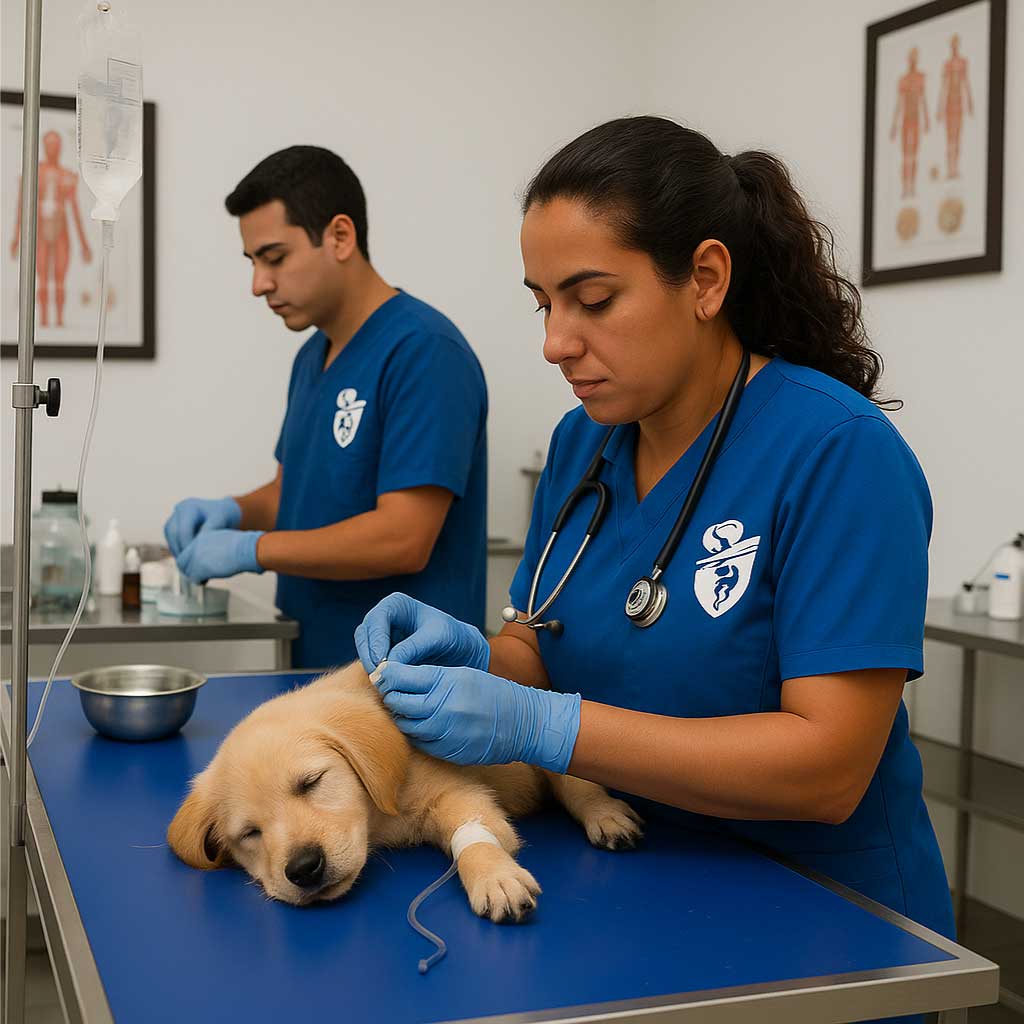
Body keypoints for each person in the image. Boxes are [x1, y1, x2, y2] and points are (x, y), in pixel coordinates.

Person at [356, 117, 953, 1024]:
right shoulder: (581, 444)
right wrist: (475, 658)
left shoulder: (837, 454)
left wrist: (541, 723)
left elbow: (830, 767)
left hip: (824, 925)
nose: (556, 341)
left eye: (592, 300)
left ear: (706, 280)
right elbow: (542, 641)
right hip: (634, 889)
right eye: (542, 302)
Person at [164, 146, 488, 669]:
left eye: (274, 258)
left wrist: (252, 549)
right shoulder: (312, 356)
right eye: (252, 263)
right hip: (314, 662)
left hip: (403, 683)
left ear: (339, 236)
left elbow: (402, 539)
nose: (258, 284)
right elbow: (294, 492)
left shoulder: (424, 351)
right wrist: (232, 511)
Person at [10, 130, 93, 327]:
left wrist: (84, 244)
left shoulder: (67, 176)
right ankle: (44, 320)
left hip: (61, 230)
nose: (53, 148)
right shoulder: (33, 175)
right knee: (42, 278)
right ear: (44, 147)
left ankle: (59, 320)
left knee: (60, 279)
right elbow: (22, 207)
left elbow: (75, 211)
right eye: (50, 144)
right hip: (40, 231)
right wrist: (16, 238)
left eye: (57, 144)